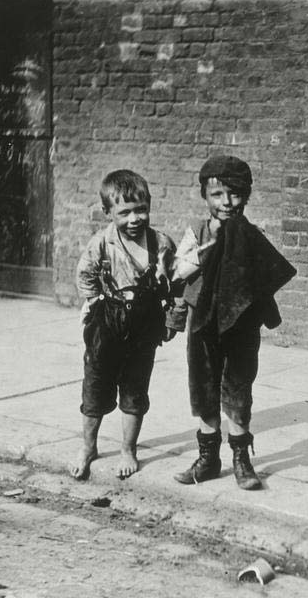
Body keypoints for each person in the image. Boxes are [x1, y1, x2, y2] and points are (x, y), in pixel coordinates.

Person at [172, 155, 296, 490]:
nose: (227, 202)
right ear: (205, 197)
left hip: (240, 322)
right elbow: (179, 271)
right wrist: (208, 244)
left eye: (235, 194)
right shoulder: (196, 231)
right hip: (202, 320)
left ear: (246, 196)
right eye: (217, 195)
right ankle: (208, 459)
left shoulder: (253, 234)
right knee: (204, 384)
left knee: (239, 387)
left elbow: (265, 275)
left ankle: (241, 459)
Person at [71, 169, 182, 481]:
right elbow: (85, 274)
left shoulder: (160, 244)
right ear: (109, 213)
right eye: (125, 213)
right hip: (106, 324)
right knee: (94, 387)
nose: (135, 219)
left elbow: (176, 286)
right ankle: (88, 446)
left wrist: (172, 320)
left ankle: (128, 449)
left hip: (143, 327)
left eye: (141, 210)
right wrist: (92, 303)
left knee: (135, 390)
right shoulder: (101, 244)